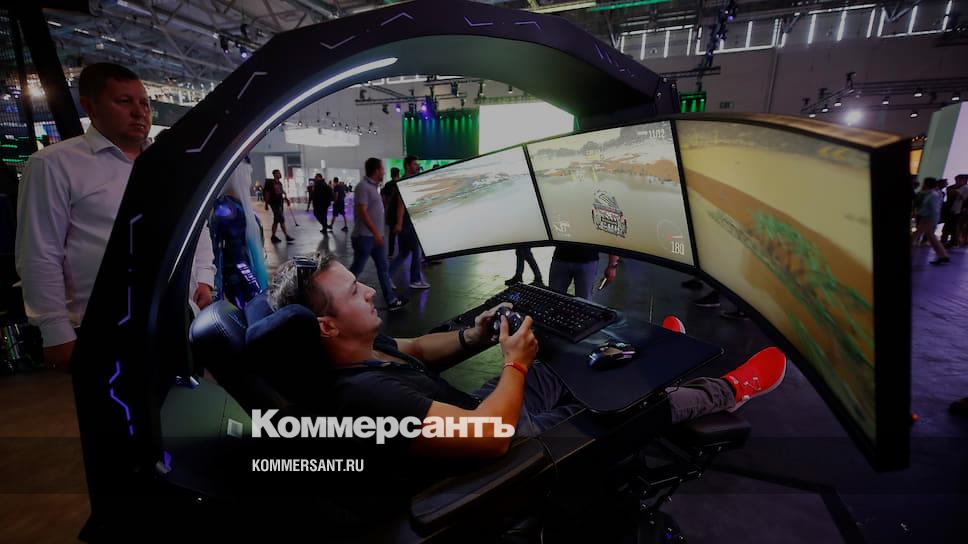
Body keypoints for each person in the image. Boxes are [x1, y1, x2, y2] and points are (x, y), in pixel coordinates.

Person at [267, 255, 788, 459]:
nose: (368, 290)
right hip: (503, 449)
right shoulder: (368, 397)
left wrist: (477, 334)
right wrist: (512, 363)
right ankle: (730, 389)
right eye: (353, 291)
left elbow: (420, 349)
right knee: (626, 407)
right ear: (326, 325)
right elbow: (491, 437)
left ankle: (655, 361)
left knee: (553, 364)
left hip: (468, 412)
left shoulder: (361, 349)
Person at [15, 63, 215, 371]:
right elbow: (39, 254)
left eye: (144, 103)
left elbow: (195, 224)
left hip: (180, 317)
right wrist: (54, 332)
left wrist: (204, 276)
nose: (139, 112)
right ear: (90, 107)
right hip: (106, 328)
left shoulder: (167, 163)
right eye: (124, 101)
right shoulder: (54, 165)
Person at [348, 158, 406, 311]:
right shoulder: (363, 187)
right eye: (382, 169)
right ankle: (339, 295)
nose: (384, 172)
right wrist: (376, 233)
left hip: (375, 237)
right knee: (357, 269)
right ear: (376, 171)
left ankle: (391, 300)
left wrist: (378, 234)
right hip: (364, 237)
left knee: (383, 269)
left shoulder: (374, 187)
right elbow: (362, 212)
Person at [389, 156, 429, 289]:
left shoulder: (405, 181)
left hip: (407, 222)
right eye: (414, 164)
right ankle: (415, 280)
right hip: (407, 223)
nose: (417, 166)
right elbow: (401, 203)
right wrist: (399, 223)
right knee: (416, 251)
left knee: (404, 252)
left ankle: (387, 276)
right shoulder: (405, 182)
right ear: (407, 166)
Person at [548, 247, 619, 301]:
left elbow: (611, 236)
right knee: (553, 298)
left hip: (588, 260)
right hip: (561, 258)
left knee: (584, 302)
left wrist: (612, 265)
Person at [912, 177, 950, 264]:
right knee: (930, 236)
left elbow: (932, 208)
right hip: (929, 217)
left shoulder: (932, 195)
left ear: (926, 184)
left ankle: (943, 256)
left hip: (928, 218)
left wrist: (921, 214)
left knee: (918, 235)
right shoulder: (932, 193)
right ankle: (943, 256)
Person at [263, 169, 294, 244]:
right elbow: (267, 193)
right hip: (274, 204)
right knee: (281, 219)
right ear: (274, 174)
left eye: (279, 173)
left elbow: (281, 192)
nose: (280, 174)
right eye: (278, 173)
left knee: (276, 220)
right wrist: (266, 204)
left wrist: (286, 199)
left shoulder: (279, 183)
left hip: (280, 203)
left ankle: (273, 236)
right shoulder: (270, 183)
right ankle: (286, 236)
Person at [942, 174, 968, 247]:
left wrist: (955, 187)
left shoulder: (965, 187)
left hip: (958, 211)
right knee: (952, 226)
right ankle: (951, 241)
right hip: (955, 210)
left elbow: (952, 192)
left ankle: (952, 242)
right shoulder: (960, 187)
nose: (957, 182)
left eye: (958, 180)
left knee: (954, 227)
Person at [381, 167, 402, 258]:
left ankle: (390, 253)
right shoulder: (401, 183)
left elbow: (384, 199)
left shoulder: (387, 185)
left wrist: (386, 210)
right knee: (401, 233)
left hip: (391, 211)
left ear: (391, 174)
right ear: (398, 174)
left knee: (391, 234)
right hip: (401, 212)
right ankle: (402, 252)